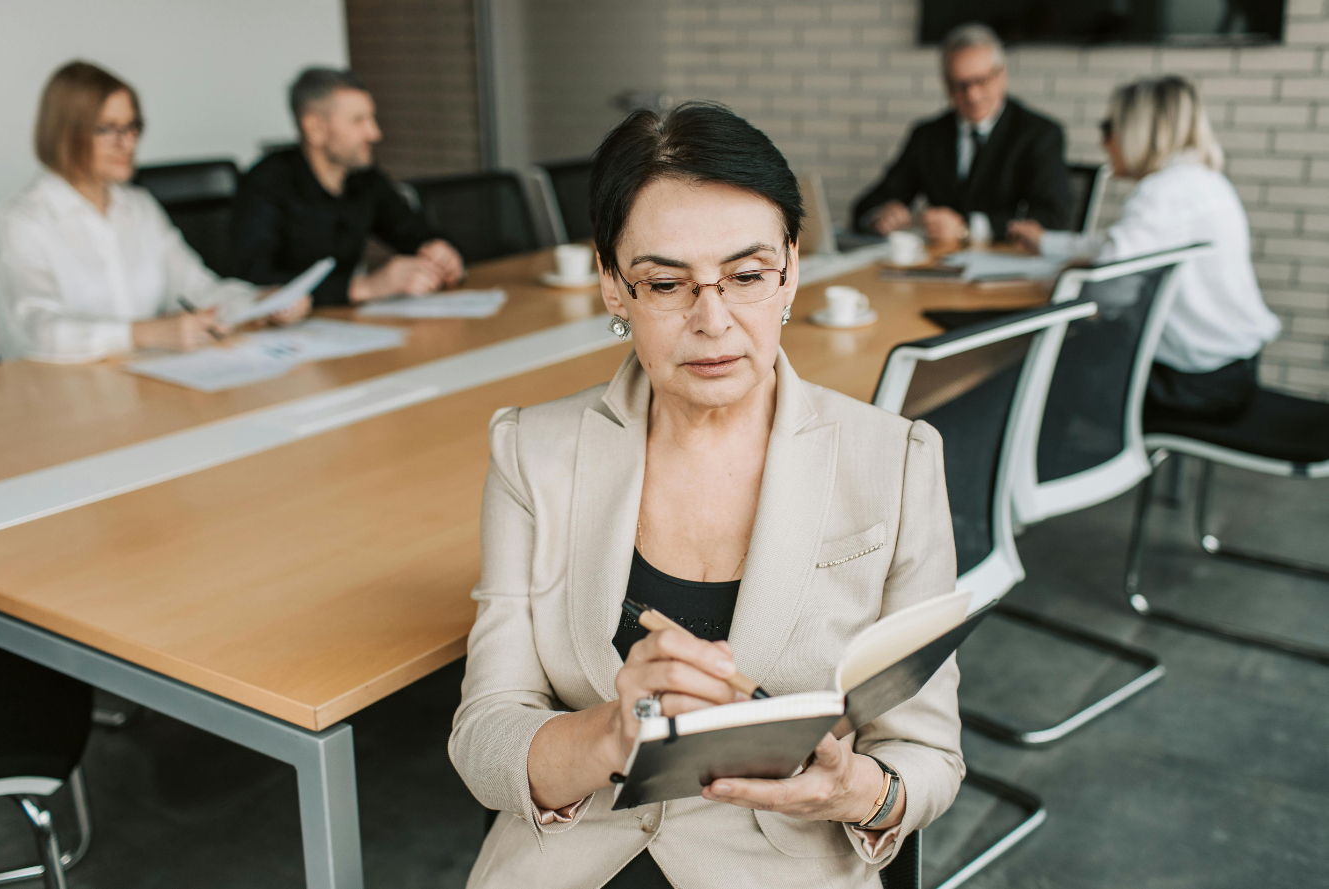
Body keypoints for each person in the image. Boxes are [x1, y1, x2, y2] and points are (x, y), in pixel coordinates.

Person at [450, 103, 963, 888]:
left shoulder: (894, 461)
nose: (714, 321)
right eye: (665, 283)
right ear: (612, 286)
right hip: (570, 861)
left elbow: (929, 758)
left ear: (792, 268)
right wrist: (612, 735)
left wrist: (854, 788)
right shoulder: (531, 450)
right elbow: (486, 734)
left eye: (748, 276)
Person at [0, 61, 309, 364]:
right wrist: (145, 333)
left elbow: (199, 289)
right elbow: (36, 332)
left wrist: (260, 303)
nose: (126, 143)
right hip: (52, 397)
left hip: (145, 382)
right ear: (66, 133)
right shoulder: (22, 219)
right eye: (108, 129)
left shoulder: (138, 207)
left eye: (132, 127)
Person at [1008, 76, 1281, 420]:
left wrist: (1068, 277)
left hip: (1193, 382)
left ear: (1137, 130)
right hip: (1232, 368)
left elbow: (1105, 292)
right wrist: (1046, 242)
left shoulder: (1160, 194)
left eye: (1109, 127)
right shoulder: (1205, 181)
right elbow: (1113, 244)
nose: (1103, 140)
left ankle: (1059, 465)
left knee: (1036, 370)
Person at [229, 68, 463, 306]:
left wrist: (440, 253)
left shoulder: (364, 177)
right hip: (282, 333)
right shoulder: (266, 182)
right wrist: (362, 287)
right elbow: (250, 279)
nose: (374, 133)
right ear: (315, 129)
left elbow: (412, 231)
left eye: (371, 119)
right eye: (358, 121)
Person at [851, 23, 1070, 243]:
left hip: (1007, 263)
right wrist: (881, 215)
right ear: (946, 85)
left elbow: (1053, 218)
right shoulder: (927, 136)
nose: (972, 95)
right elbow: (867, 205)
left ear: (1001, 76)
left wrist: (968, 228)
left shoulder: (1039, 134)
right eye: (960, 85)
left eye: (981, 81)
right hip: (936, 263)